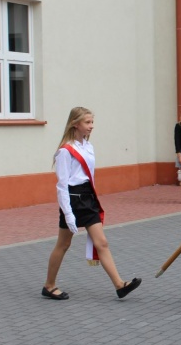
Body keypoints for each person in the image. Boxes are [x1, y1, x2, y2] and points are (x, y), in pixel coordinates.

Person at [43, 107, 141, 300]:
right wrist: (68, 213)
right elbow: (62, 186)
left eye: (92, 122)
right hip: (73, 199)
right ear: (75, 124)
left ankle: (119, 285)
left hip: (88, 198)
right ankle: (49, 285)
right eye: (87, 122)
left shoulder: (88, 146)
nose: (91, 126)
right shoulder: (65, 151)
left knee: (102, 242)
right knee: (63, 244)